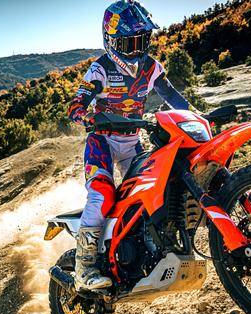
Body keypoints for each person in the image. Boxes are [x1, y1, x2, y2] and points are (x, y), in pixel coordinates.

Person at [68, 0, 194, 291]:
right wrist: (87, 117)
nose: (137, 49)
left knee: (151, 194)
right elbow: (76, 105)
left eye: (142, 40)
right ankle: (84, 268)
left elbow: (173, 98)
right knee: (102, 195)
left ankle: (144, 254)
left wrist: (195, 116)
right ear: (111, 40)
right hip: (102, 142)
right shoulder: (100, 69)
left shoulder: (151, 67)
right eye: (129, 42)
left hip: (133, 142)